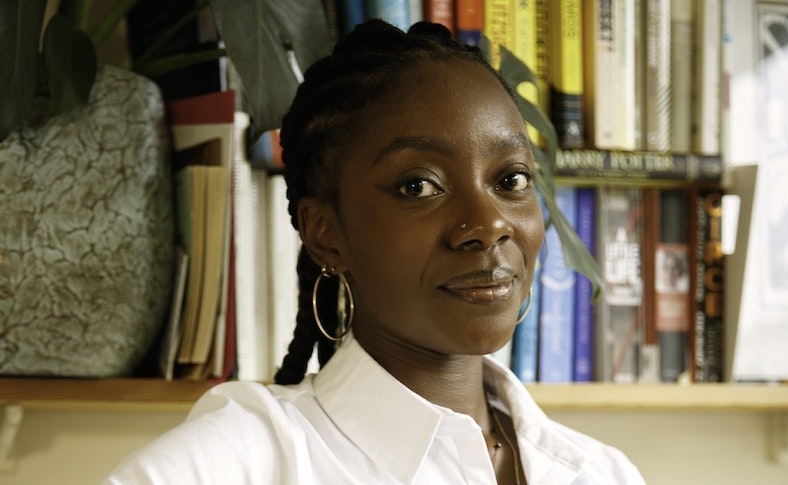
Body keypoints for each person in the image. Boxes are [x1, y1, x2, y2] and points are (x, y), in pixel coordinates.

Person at [104, 19, 646, 484]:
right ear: (325, 233)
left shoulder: (601, 472)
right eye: (419, 186)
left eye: (512, 178)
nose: (488, 224)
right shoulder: (244, 460)